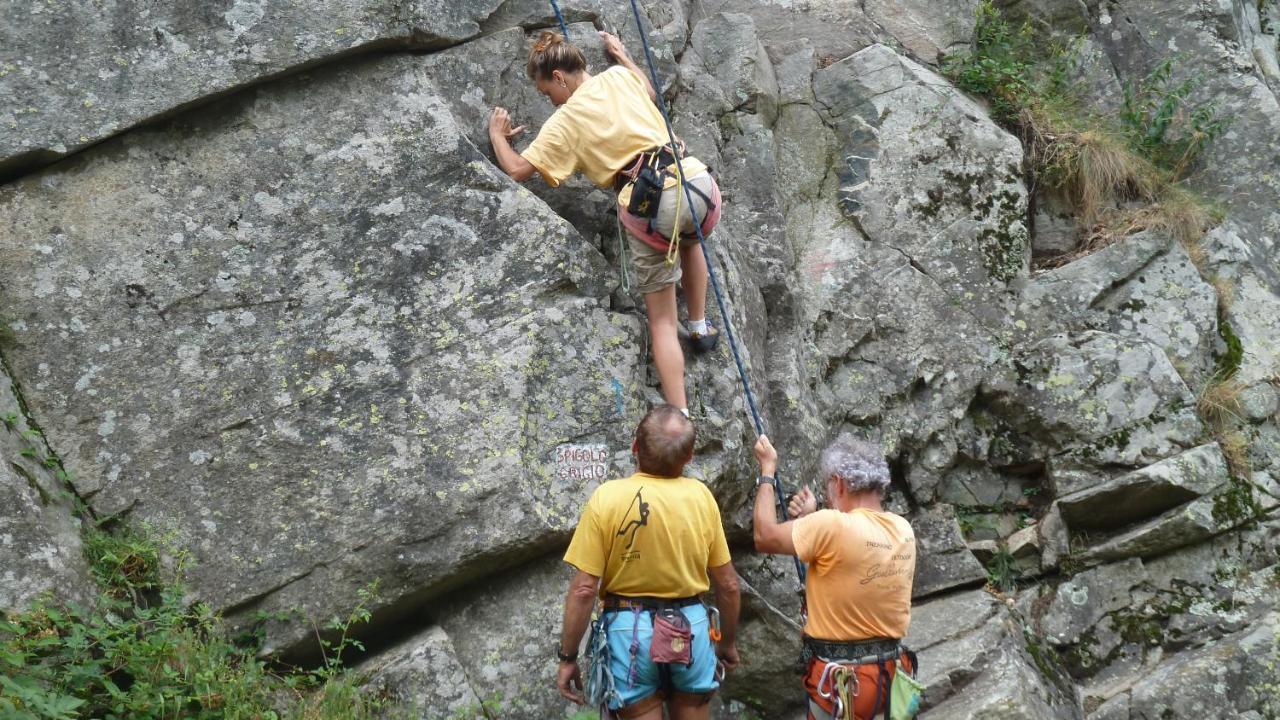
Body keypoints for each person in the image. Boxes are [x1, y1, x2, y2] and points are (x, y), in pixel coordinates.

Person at [489, 30, 722, 417]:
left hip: (650, 201)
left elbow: (515, 169)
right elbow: (647, 88)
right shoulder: (617, 76)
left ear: (560, 78)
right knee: (691, 239)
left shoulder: (565, 122)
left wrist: (498, 136)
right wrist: (622, 53)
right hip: (697, 183)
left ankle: (678, 418)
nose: (551, 101)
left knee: (662, 321)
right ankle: (699, 325)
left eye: (548, 92)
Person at [555, 404, 741, 719]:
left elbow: (584, 589)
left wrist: (568, 656)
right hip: (691, 629)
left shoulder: (607, 497)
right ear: (689, 457)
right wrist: (727, 643)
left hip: (630, 633)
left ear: (634, 447)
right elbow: (729, 584)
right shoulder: (700, 497)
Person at [751, 434, 919, 720]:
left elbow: (764, 536)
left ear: (839, 483)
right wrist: (810, 518)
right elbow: (847, 555)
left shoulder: (829, 526)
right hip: (891, 675)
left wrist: (767, 471)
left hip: (843, 683)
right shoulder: (902, 529)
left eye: (830, 488)